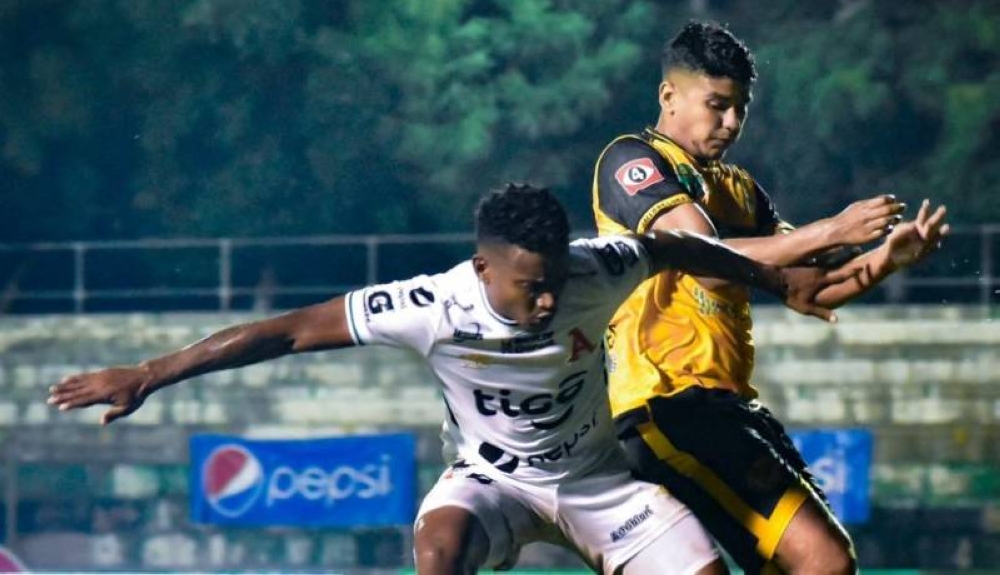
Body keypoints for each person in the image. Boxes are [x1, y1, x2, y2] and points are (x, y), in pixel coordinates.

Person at [49, 184, 852, 575]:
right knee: (439, 546)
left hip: (598, 481)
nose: (547, 300)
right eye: (529, 286)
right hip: (492, 481)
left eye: (554, 282)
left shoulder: (595, 267)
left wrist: (778, 280)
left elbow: (677, 248)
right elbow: (286, 330)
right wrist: (150, 373)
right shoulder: (432, 305)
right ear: (482, 268)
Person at [592, 21, 951, 575]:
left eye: (741, 108)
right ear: (669, 95)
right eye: (717, 105)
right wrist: (832, 229)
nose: (731, 122)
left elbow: (810, 288)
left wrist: (886, 259)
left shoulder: (741, 189)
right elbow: (704, 256)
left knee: (810, 564)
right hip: (665, 407)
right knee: (822, 560)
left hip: (728, 408)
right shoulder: (633, 160)